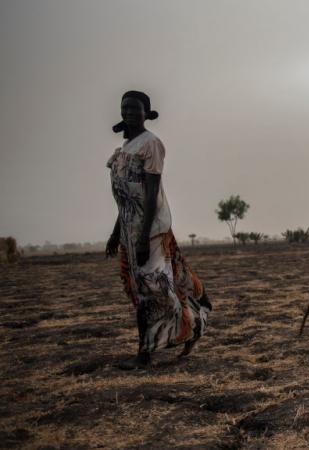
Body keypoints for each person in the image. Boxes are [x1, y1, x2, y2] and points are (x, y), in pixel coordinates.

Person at [106, 91, 212, 369]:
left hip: (149, 231)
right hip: (130, 230)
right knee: (140, 289)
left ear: (146, 113)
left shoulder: (151, 144)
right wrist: (117, 232)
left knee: (153, 288)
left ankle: (151, 349)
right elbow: (126, 198)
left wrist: (143, 236)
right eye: (125, 108)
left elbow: (151, 193)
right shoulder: (125, 147)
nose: (129, 112)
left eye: (135, 108)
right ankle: (178, 333)